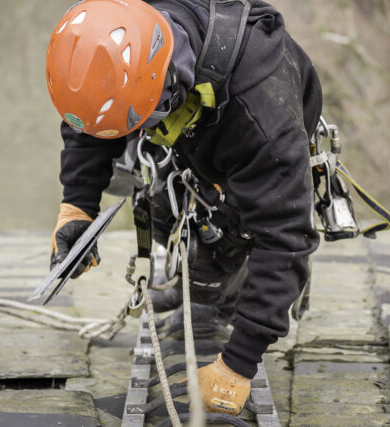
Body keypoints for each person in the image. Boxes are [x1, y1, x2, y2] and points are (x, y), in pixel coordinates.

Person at [46, 0, 322, 416]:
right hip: (192, 128)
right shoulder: (121, 32)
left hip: (244, 152)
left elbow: (286, 236)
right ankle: (197, 266)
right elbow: (90, 116)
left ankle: (219, 290)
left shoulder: (262, 120)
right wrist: (77, 205)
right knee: (158, 196)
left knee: (224, 243)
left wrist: (237, 366)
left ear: (167, 86)